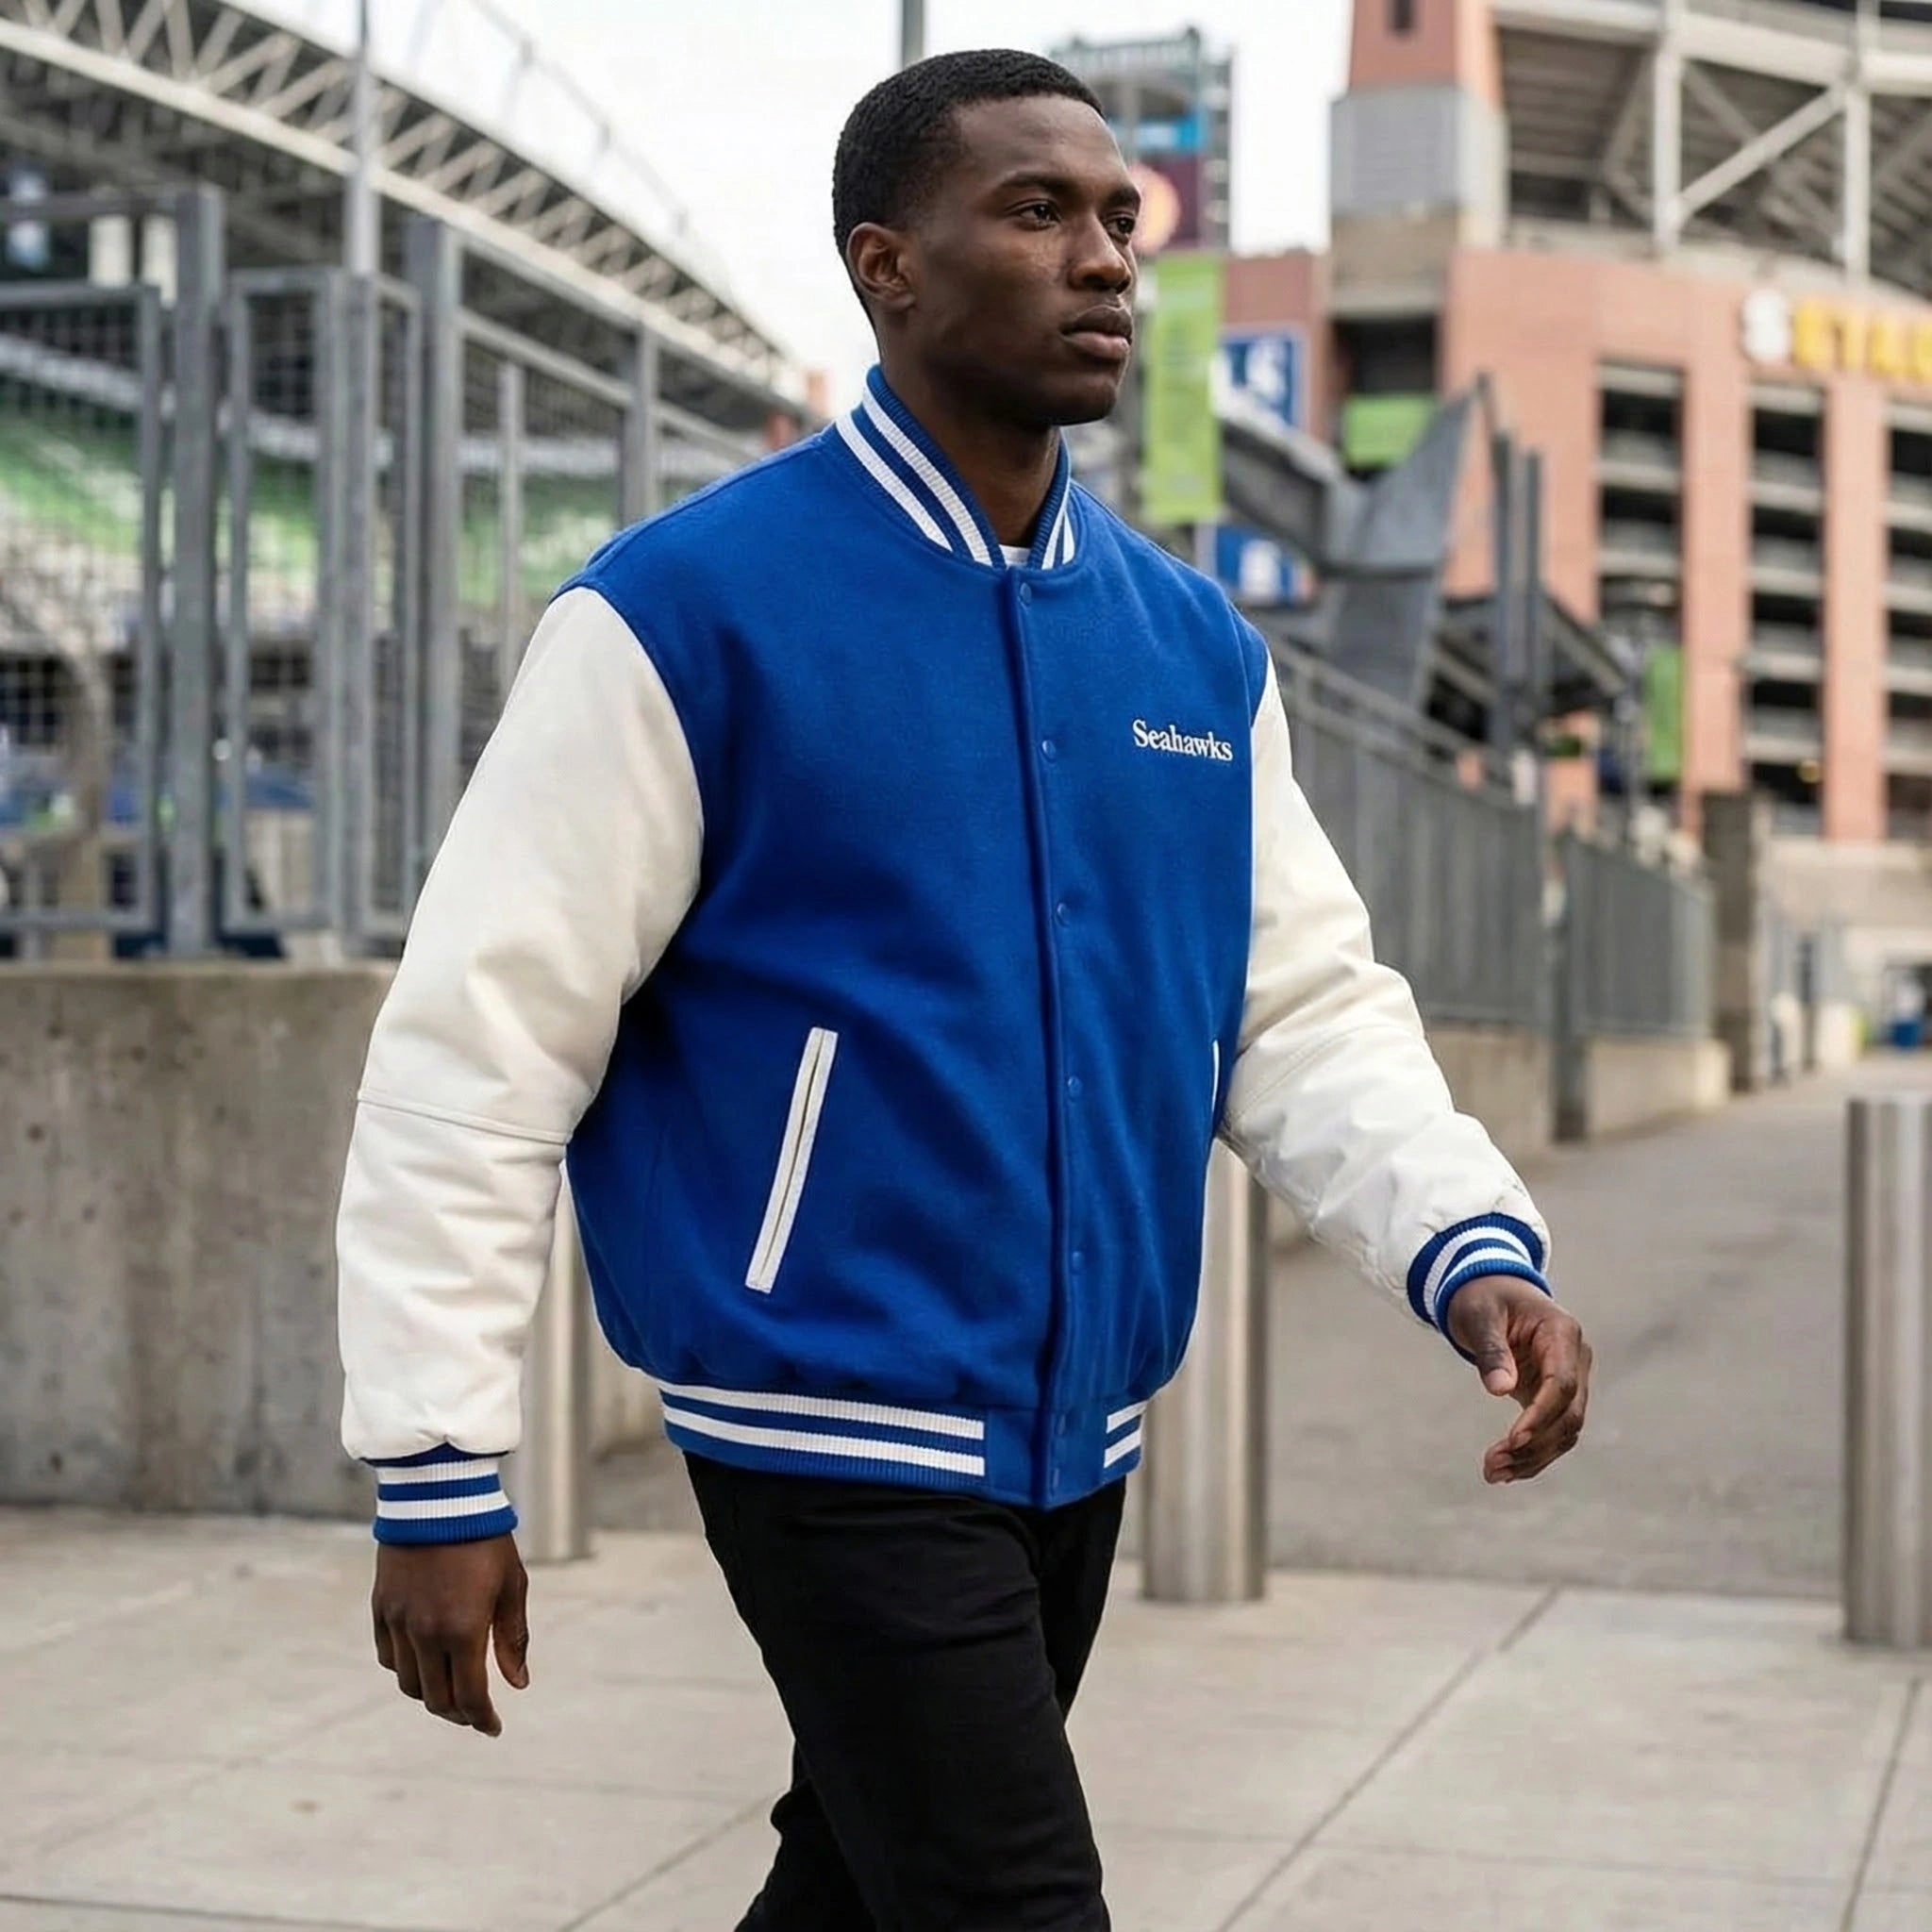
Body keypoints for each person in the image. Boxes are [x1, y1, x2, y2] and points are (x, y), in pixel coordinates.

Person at [337, 48, 1592, 1930]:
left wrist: (1466, 1246)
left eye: (1119, 220)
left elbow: (1300, 1008)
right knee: (1009, 1901)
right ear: (888, 265)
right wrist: (438, 1463)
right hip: (823, 1415)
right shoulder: (683, 615)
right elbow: (480, 1045)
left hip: (1080, 1426)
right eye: (1035, 212)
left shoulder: (1191, 651)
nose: (1104, 259)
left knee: (863, 1886)